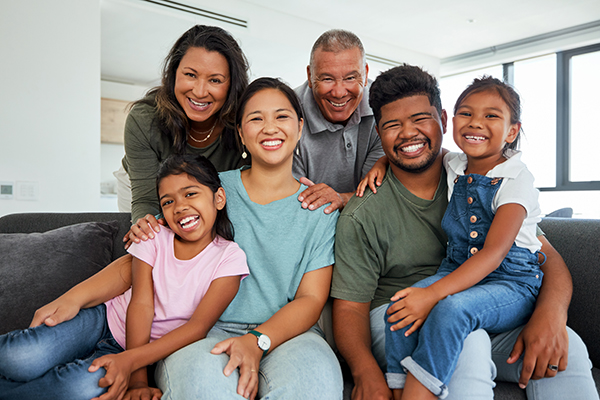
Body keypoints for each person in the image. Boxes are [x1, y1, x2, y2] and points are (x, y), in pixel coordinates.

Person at [31, 78, 343, 400]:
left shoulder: (319, 207)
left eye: (281, 116)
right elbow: (147, 261)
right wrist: (75, 297)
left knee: (313, 390)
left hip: (290, 335)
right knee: (203, 389)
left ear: (300, 126)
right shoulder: (202, 190)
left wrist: (258, 340)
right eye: (255, 118)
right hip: (203, 330)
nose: (269, 128)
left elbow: (310, 299)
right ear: (240, 133)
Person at [331, 64, 598, 400]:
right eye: (392, 126)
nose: (408, 133)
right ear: (379, 134)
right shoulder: (363, 213)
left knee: (567, 345)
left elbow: (542, 254)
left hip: (479, 299)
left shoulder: (479, 177)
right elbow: (349, 308)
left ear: (443, 120)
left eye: (420, 120)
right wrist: (365, 371)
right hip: (399, 314)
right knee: (464, 339)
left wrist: (551, 313)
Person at [0, 154, 249, 400]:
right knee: (21, 358)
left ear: (218, 198)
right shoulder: (154, 237)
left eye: (190, 193)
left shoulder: (229, 258)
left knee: (78, 389)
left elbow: (197, 328)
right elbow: (141, 304)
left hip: (137, 352)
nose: (180, 206)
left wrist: (132, 368)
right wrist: (138, 377)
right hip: (102, 321)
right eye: (167, 202)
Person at [384, 76, 545, 399]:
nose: (476, 123)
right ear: (451, 120)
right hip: (459, 271)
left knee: (451, 310)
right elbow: (414, 152)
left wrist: (432, 296)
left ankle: (422, 393)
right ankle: (400, 389)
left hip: (510, 282)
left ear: (512, 131)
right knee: (400, 306)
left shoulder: (516, 179)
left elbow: (494, 254)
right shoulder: (455, 164)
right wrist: (380, 163)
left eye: (491, 116)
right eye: (466, 113)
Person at [116, 24, 250, 223]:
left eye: (215, 80)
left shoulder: (246, 122)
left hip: (213, 192)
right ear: (174, 73)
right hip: (148, 188)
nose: (200, 91)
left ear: (232, 85)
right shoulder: (144, 119)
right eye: (190, 75)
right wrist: (148, 233)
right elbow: (146, 200)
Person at [293, 29, 384, 214]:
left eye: (350, 78)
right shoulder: (288, 113)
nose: (339, 92)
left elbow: (379, 194)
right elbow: (296, 201)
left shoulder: (384, 107)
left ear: (365, 74)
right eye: (327, 79)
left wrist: (341, 199)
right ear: (310, 76)